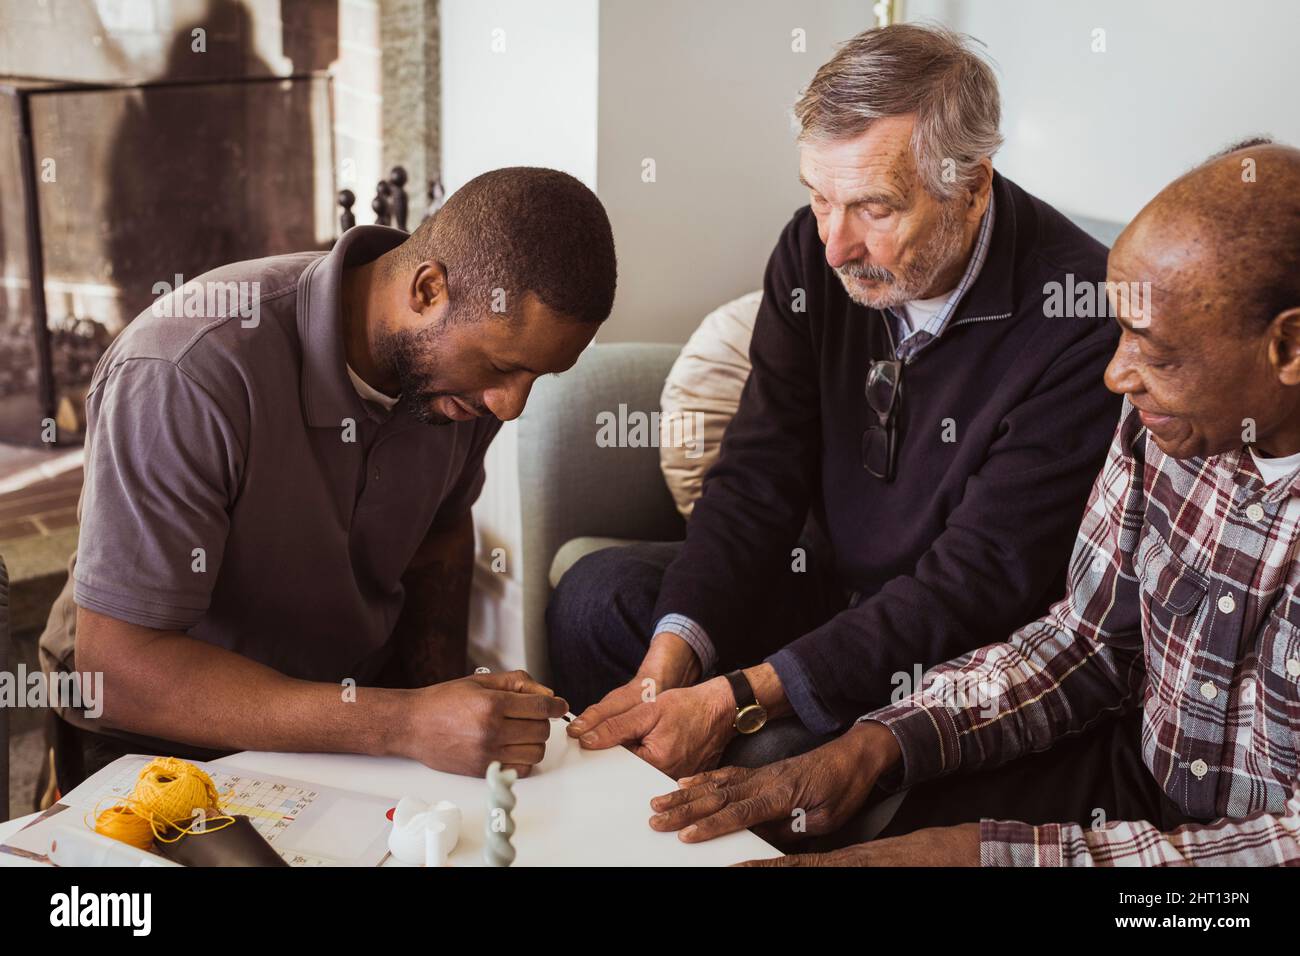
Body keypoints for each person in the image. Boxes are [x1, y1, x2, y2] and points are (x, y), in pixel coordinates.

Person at [650, 139, 1300, 866]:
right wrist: (881, 743)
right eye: (1121, 333)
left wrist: (987, 856)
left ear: (1290, 345)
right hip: (1137, 780)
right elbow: (1085, 643)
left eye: (1154, 349)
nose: (1117, 375)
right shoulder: (1162, 428)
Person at [547, 23, 1121, 777]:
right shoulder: (811, 258)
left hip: (948, 649)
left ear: (972, 187)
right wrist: (670, 666)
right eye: (820, 198)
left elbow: (975, 584)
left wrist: (741, 696)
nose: (834, 247)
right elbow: (757, 474)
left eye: (874, 209)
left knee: (777, 753)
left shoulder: (1079, 316)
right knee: (597, 600)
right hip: (814, 581)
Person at [40, 167, 618, 789]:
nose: (512, 406)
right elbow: (122, 671)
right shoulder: (185, 370)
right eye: (504, 367)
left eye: (537, 376)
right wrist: (404, 723)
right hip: (155, 734)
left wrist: (442, 702)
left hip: (356, 706)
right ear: (427, 290)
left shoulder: (461, 389)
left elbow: (439, 537)